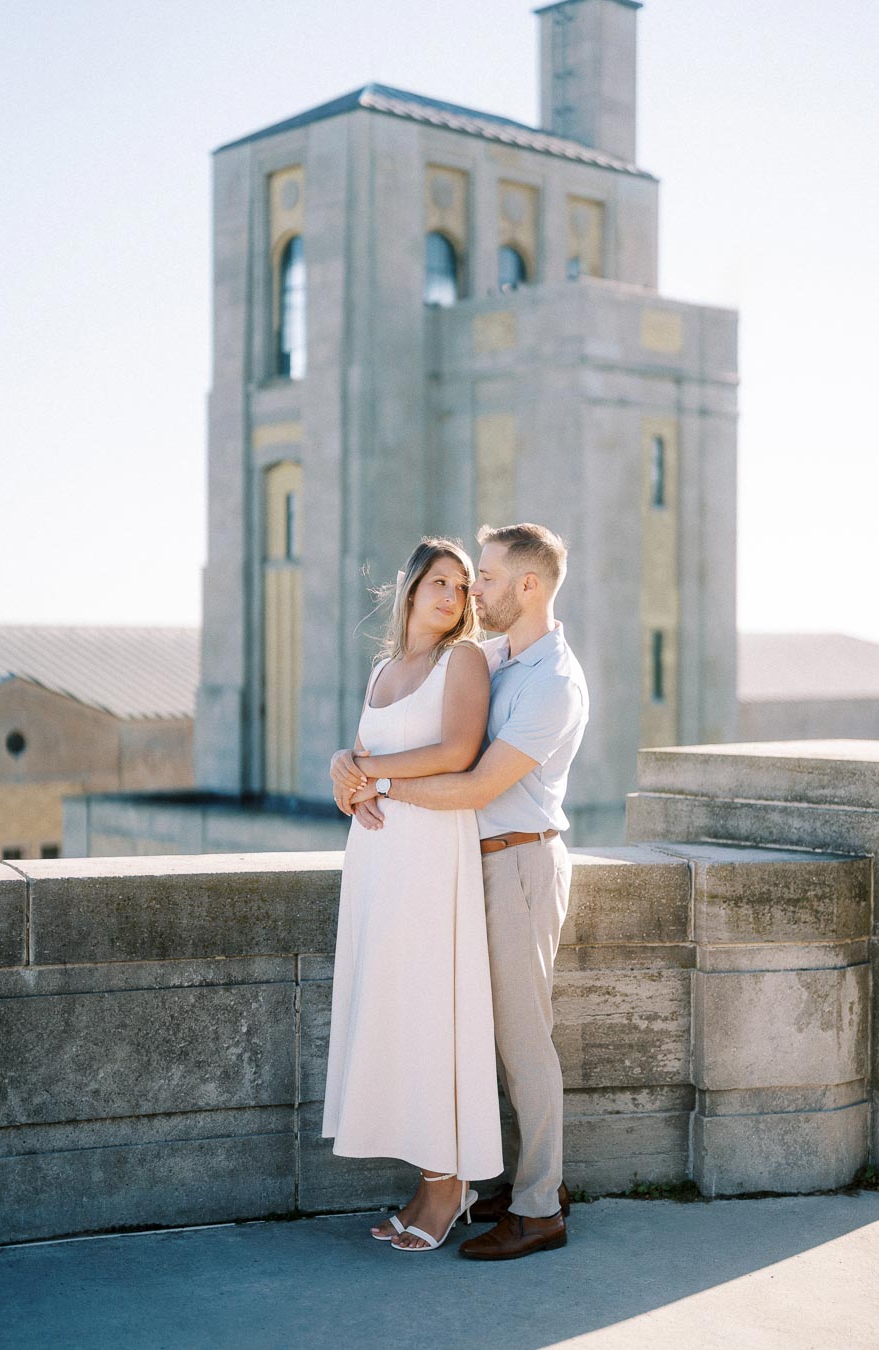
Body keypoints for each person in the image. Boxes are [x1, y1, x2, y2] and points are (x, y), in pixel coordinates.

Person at [341, 522, 589, 1261]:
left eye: (484, 575)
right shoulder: (489, 657)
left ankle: (541, 1207)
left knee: (520, 1040)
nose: (473, 588)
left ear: (529, 586)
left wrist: (377, 783)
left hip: (518, 864)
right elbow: (407, 719)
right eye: (464, 576)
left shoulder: (554, 682)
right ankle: (513, 1183)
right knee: (465, 1033)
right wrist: (343, 763)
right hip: (459, 865)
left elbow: (477, 780)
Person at [322, 537, 503, 1253]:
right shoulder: (382, 670)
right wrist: (346, 769)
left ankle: (451, 1183)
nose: (452, 595)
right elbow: (363, 765)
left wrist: (370, 771)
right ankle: (430, 1181)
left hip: (431, 855)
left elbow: (459, 751)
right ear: (408, 588)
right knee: (395, 1012)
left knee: (433, 1011)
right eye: (438, 581)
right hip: (376, 862)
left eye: (462, 585)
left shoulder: (463, 660)